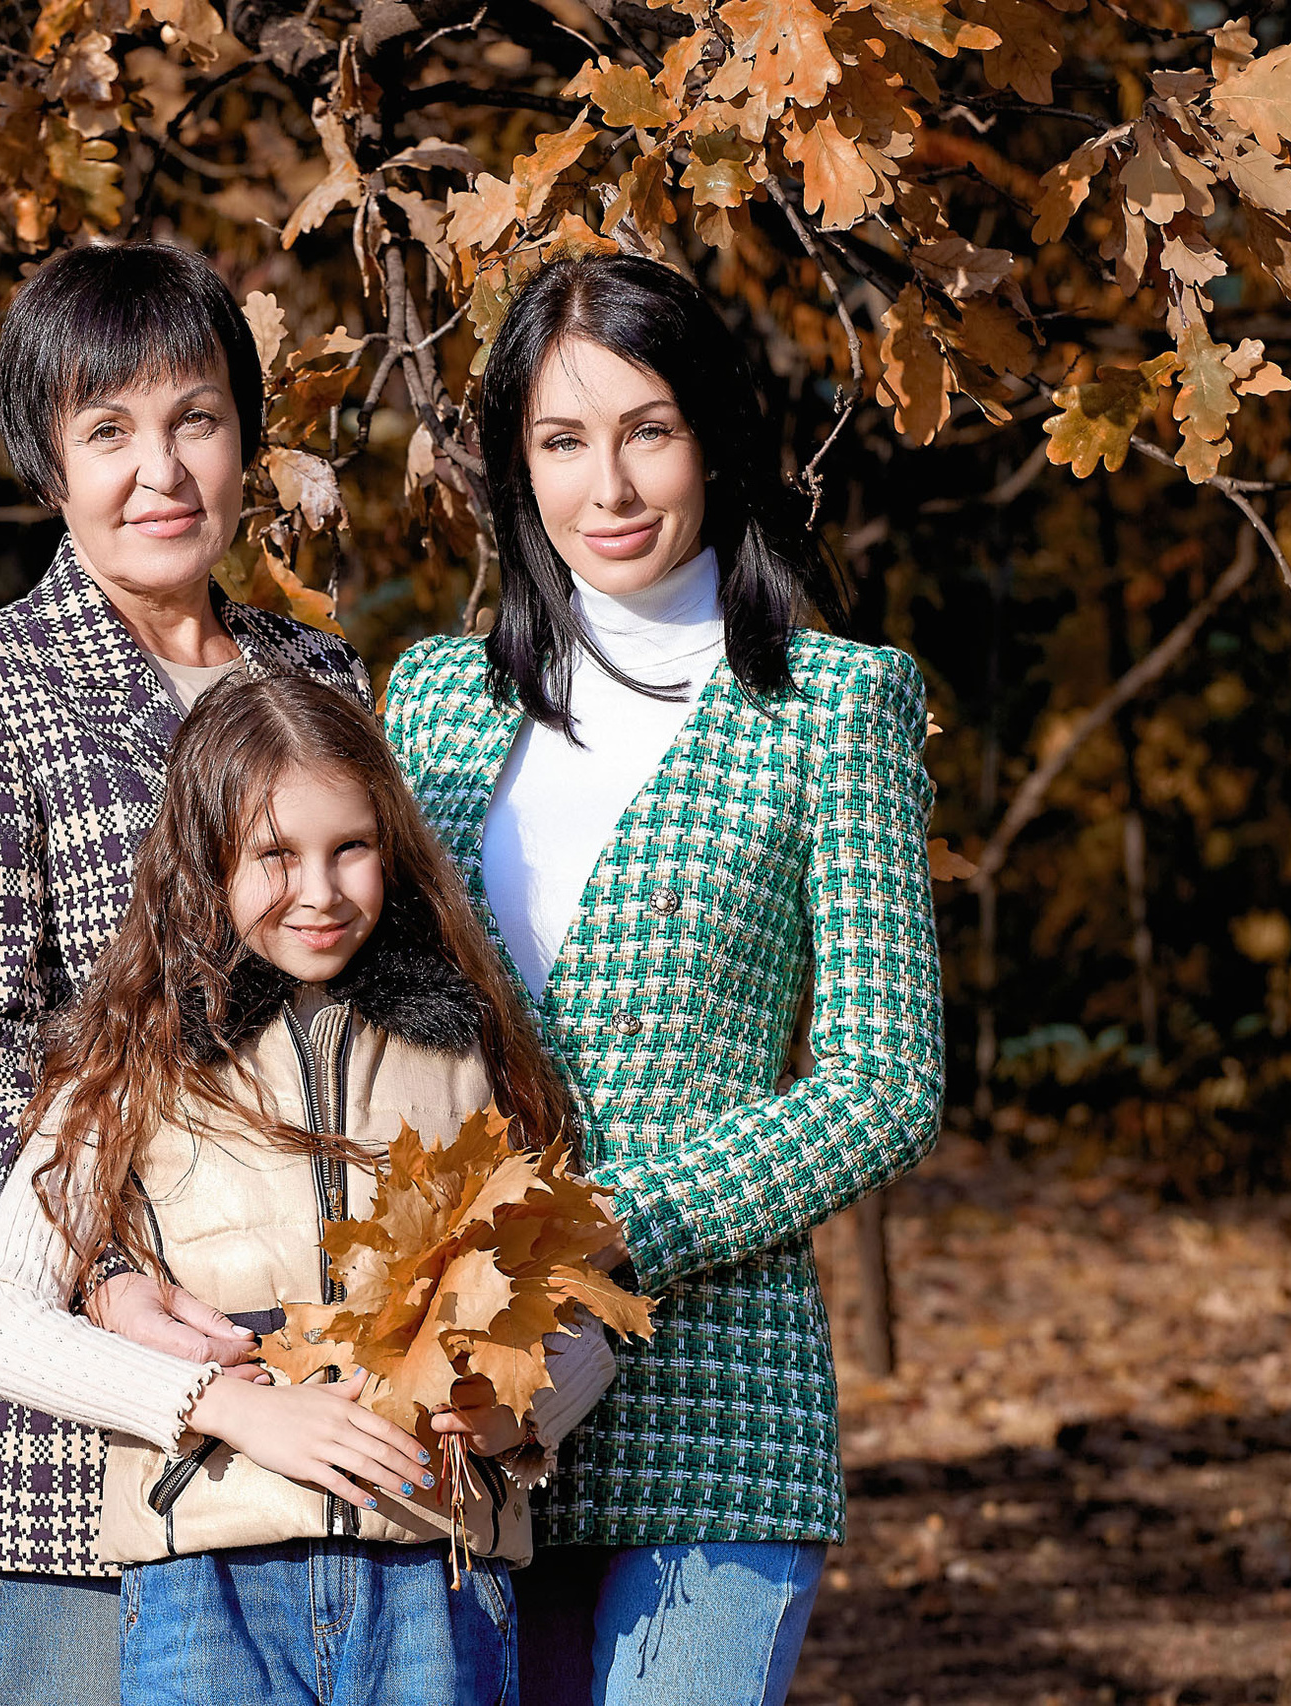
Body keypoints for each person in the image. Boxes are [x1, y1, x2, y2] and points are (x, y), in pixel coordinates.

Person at [381, 252, 946, 1706]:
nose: (610, 486)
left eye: (649, 430)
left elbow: (886, 1081)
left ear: (713, 436)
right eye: (563, 440)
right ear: (517, 463)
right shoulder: (434, 699)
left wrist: (615, 1225)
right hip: (462, 1399)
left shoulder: (834, 704)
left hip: (716, 1394)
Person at [0, 241, 369, 1706]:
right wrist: (100, 1275)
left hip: (303, 1378)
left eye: (194, 419)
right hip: (68, 1396)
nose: (159, 471)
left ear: (244, 441)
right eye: (108, 430)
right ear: (51, 463)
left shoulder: (322, 678)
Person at [0, 672, 616, 1706]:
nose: (320, 891)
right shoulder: (134, 1058)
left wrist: (517, 1416)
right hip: (210, 1579)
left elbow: (575, 1302)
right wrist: (226, 1407)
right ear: (205, 857)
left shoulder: (468, 1051)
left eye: (350, 847)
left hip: (434, 1572)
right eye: (275, 854)